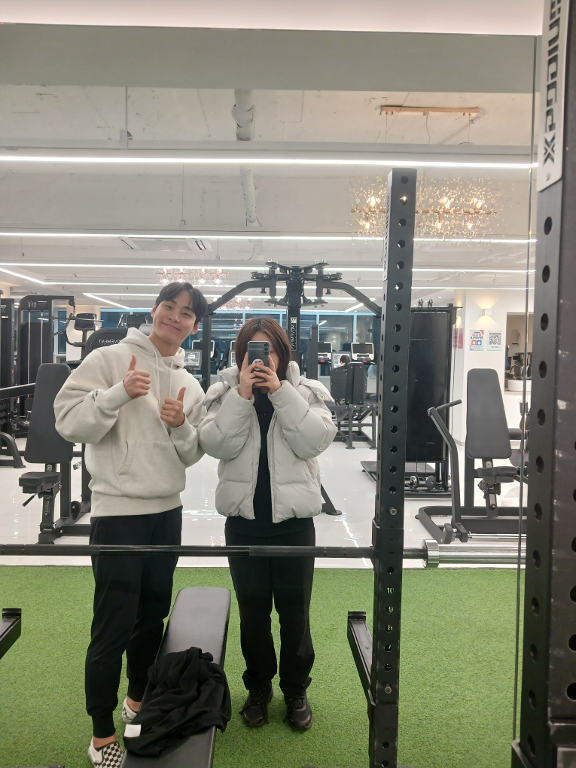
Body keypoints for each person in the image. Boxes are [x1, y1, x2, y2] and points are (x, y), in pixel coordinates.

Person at [54, 282, 208, 768]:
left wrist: (180, 425)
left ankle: (137, 700)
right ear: (154, 310)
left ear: (194, 326)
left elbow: (193, 453)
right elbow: (67, 421)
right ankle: (101, 734)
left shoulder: (191, 384)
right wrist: (117, 394)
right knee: (113, 627)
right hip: (118, 513)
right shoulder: (109, 359)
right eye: (169, 307)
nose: (175, 317)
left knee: (151, 619)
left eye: (186, 313)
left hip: (167, 513)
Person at [198, 317, 337, 732]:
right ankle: (259, 687)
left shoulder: (306, 392)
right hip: (244, 523)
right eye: (253, 351)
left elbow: (314, 441)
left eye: (269, 350)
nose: (261, 359)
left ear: (281, 353)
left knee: (295, 613)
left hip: (294, 524)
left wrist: (279, 391)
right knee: (253, 612)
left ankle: (295, 689)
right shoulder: (224, 394)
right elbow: (215, 444)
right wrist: (242, 395)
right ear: (241, 355)